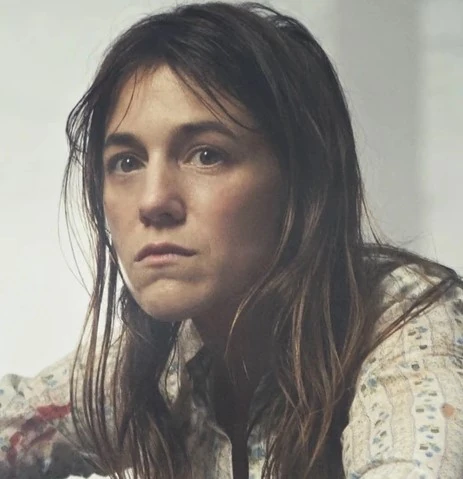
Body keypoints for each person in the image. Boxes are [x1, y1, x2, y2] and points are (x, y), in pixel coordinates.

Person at [1, 2, 462, 478]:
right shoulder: (155, 364)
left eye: (206, 155)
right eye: (127, 162)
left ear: (301, 184)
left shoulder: (403, 322)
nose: (153, 200)